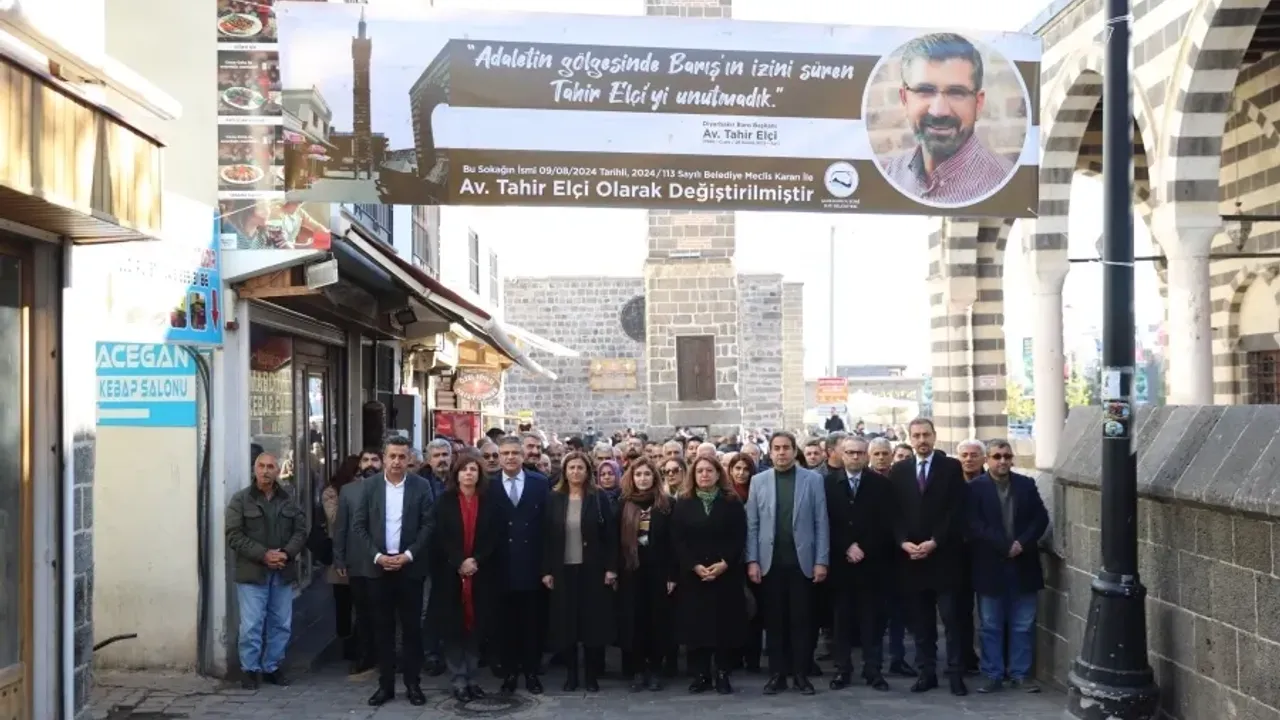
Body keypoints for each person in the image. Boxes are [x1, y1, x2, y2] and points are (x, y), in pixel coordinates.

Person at [881, 33, 1015, 205]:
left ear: (978, 103)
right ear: (905, 99)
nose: (939, 111)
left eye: (956, 92)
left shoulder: (1006, 184)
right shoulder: (894, 173)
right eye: (925, 91)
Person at [887, 418, 970, 696]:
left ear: (934, 436)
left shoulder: (951, 467)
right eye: (916, 435)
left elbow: (956, 509)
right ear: (910, 438)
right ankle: (926, 673)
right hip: (912, 560)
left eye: (926, 435)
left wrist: (936, 540)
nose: (921, 440)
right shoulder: (899, 470)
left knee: (952, 620)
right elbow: (894, 512)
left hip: (944, 558)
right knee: (921, 624)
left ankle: (956, 674)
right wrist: (903, 542)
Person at [353, 437, 437, 707]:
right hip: (378, 569)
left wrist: (409, 555)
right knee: (382, 629)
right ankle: (385, 685)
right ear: (384, 458)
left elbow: (428, 524)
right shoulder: (369, 487)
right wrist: (378, 557)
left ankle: (413, 684)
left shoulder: (421, 486)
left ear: (409, 458)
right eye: (392, 456)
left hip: (409, 568)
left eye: (402, 456)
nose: (397, 462)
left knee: (412, 629)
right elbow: (359, 526)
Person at [745, 431, 830, 696]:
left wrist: (821, 561)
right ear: (770, 452)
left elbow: (821, 522)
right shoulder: (758, 481)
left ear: (794, 451)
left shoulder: (813, 480)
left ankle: (801, 674)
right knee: (775, 622)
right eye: (777, 448)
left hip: (802, 563)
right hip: (770, 564)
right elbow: (752, 525)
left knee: (802, 622)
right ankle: (778, 674)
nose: (781, 452)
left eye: (786, 448)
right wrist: (752, 560)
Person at [969, 439, 1049, 694]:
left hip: (1023, 563)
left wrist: (1021, 543)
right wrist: (1004, 546)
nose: (1002, 461)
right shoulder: (975, 488)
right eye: (997, 456)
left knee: (1023, 624)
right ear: (987, 460)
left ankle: (1020, 674)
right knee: (990, 625)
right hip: (990, 565)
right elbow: (973, 524)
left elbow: (1040, 519)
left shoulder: (1026, 485)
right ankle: (992, 674)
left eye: (1007, 456)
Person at [225, 452, 308, 689]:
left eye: (270, 467)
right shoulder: (241, 500)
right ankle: (250, 669)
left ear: (278, 470)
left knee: (281, 623)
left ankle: (272, 666)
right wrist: (264, 554)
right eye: (261, 466)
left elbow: (301, 531)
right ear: (254, 469)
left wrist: (286, 553)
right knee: (252, 624)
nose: (265, 471)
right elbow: (234, 535)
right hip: (253, 572)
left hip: (282, 571)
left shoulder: (289, 500)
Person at [670, 456, 748, 695]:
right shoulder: (683, 503)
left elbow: (739, 536)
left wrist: (725, 563)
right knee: (696, 626)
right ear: (693, 475)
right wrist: (693, 565)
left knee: (724, 626)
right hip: (694, 575)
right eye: (700, 471)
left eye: (709, 471)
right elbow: (678, 539)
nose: (704, 475)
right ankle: (700, 674)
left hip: (724, 574)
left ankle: (723, 673)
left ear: (718, 474)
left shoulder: (731, 502)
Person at [541, 452, 618, 692]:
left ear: (587, 472)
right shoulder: (554, 498)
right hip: (563, 570)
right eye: (571, 467)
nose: (575, 472)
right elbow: (546, 537)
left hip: (592, 569)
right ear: (565, 472)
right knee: (567, 625)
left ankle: (591, 676)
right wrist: (546, 570)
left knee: (592, 623)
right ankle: (572, 675)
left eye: (580, 468)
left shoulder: (598, 497)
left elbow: (611, 536)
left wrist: (611, 568)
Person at [430, 450, 501, 703]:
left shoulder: (489, 502)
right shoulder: (444, 501)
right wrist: (459, 561)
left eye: (473, 469)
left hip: (481, 574)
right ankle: (458, 679)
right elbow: (439, 536)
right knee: (453, 628)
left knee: (475, 628)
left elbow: (494, 537)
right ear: (456, 474)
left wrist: (476, 560)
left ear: (479, 474)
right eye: (464, 470)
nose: (468, 474)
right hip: (450, 574)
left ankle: (471, 677)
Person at [824, 436, 893, 692]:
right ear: (841, 455)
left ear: (867, 456)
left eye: (860, 453)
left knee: (871, 620)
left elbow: (885, 523)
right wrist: (846, 546)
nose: (855, 457)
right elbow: (825, 521)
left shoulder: (881, 485)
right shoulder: (827, 484)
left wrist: (864, 546)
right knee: (841, 620)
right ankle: (842, 669)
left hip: (871, 563)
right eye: (850, 452)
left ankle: (873, 669)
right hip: (841, 563)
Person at [490, 435, 549, 695]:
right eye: (505, 453)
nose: (510, 457)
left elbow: (548, 527)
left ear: (523, 455)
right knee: (506, 626)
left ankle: (532, 673)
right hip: (501, 567)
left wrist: (546, 567)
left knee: (532, 625)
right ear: (499, 457)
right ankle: (510, 673)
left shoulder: (539, 483)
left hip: (532, 565)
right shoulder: (489, 485)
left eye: (515, 452)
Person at [615, 458, 676, 692]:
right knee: (635, 620)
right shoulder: (623, 504)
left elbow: (674, 542)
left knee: (657, 621)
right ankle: (638, 669)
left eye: (647, 474)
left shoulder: (666, 504)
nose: (642, 479)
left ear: (654, 477)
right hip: (631, 571)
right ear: (632, 477)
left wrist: (672, 575)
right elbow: (615, 541)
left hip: (659, 570)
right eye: (638, 474)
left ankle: (656, 669)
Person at [320, 455, 362, 664]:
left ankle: (360, 644)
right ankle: (346, 644)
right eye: (357, 474)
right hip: (342, 554)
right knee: (343, 603)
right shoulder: (332, 492)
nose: (360, 478)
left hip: (364, 556)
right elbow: (336, 519)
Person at [726, 453, 762, 672]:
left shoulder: (757, 491)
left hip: (755, 556)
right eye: (737, 468)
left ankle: (753, 657)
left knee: (755, 608)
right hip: (732, 559)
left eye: (745, 469)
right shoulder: (726, 494)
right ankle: (734, 655)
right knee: (734, 609)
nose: (741, 473)